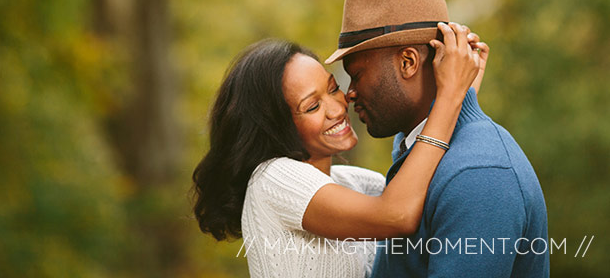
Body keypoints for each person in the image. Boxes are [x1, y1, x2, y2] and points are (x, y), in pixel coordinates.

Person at [192, 20, 484, 278]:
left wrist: (464, 90)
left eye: (332, 88)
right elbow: (398, 214)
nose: (337, 108)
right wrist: (450, 95)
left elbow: (424, 188)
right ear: (276, 127)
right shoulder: (272, 179)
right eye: (313, 106)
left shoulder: (353, 182)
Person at [325, 0, 549, 277]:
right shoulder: (418, 146)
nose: (350, 93)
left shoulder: (480, 174)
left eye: (357, 75)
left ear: (408, 62)